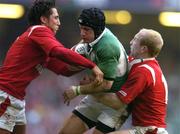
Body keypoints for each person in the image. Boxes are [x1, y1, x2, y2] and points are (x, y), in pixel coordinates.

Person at [0, 1, 104, 134]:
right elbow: (59, 51)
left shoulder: (40, 47)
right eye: (56, 17)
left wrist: (89, 57)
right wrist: (92, 66)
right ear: (43, 19)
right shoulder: (38, 30)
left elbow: (65, 70)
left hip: (16, 98)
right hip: (6, 95)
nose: (59, 23)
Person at [59, 8, 129, 134]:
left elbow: (107, 84)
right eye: (81, 28)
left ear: (97, 31)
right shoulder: (91, 40)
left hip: (114, 104)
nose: (82, 33)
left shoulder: (108, 46)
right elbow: (71, 64)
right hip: (97, 96)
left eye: (86, 30)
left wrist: (77, 90)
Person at [107, 28, 168, 134]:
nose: (131, 42)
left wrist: (82, 91)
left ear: (143, 49)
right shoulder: (141, 63)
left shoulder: (144, 72)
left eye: (135, 39)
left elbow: (117, 103)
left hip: (149, 131)